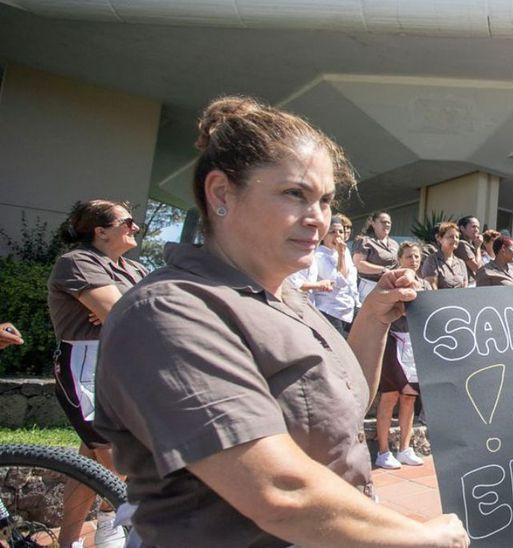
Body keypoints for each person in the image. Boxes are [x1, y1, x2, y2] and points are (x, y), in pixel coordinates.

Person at [92, 96, 467, 547]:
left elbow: (344, 405)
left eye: (325, 200)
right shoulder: (167, 313)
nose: (318, 219)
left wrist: (373, 318)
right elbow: (279, 492)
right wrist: (420, 538)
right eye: (295, 194)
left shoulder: (288, 299)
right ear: (221, 193)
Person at [46, 198, 145, 547]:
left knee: (90, 460)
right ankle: (114, 526)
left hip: (124, 364)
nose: (135, 227)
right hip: (86, 365)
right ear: (101, 231)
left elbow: (157, 308)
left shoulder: (134, 269)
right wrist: (127, 307)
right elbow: (124, 314)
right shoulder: (77, 262)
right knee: (117, 456)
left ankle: (70, 541)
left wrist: (125, 307)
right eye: (127, 222)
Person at [375, 242, 429, 470]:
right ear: (399, 259)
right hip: (393, 340)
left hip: (415, 344)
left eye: (416, 256)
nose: (413, 260)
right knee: (390, 396)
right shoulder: (390, 280)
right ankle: (382, 451)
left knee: (410, 397)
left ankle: (405, 449)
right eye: (408, 256)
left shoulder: (425, 284)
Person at [289, 215, 360, 335]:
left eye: (341, 232)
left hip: (348, 309)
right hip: (330, 311)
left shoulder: (345, 251)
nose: (337, 235)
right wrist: (341, 255)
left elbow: (351, 280)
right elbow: (339, 282)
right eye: (332, 232)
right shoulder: (320, 255)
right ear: (324, 235)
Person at [352, 211, 398, 302]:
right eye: (383, 222)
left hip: (390, 286)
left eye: (389, 222)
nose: (387, 225)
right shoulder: (365, 241)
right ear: (373, 224)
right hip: (370, 287)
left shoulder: (394, 244)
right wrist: (383, 270)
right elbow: (359, 265)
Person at [418, 221, 468, 290]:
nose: (455, 240)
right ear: (440, 239)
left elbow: (465, 288)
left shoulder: (461, 263)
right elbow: (432, 288)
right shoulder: (432, 260)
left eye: (457, 237)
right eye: (451, 237)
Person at [455, 215, 484, 281]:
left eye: (478, 227)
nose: (476, 230)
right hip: (467, 284)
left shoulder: (471, 245)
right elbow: (478, 268)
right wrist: (478, 247)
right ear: (462, 228)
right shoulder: (461, 245)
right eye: (473, 227)